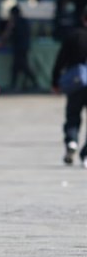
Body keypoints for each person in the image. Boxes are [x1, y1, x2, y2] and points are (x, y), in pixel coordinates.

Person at [51, 9, 87, 167]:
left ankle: (72, 141)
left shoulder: (73, 36)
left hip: (76, 83)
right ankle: (86, 154)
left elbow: (60, 60)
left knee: (73, 115)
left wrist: (55, 81)